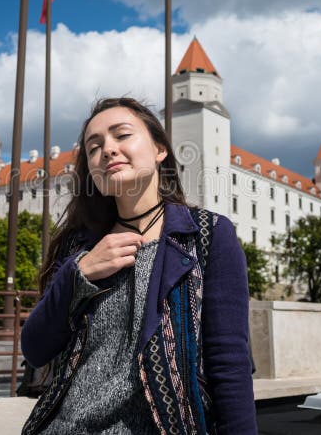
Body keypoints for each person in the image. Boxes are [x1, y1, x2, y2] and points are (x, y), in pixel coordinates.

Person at [20, 97, 256, 434]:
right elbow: (35, 348)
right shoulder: (79, 246)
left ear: (160, 148)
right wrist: (80, 274)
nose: (108, 150)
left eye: (122, 135)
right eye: (94, 146)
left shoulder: (208, 235)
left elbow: (229, 363)